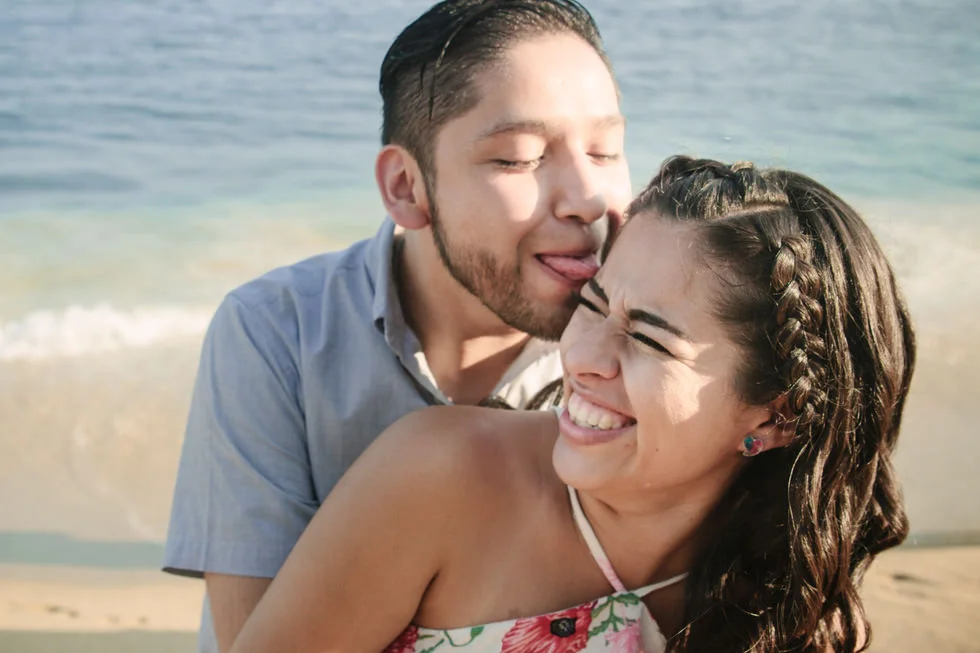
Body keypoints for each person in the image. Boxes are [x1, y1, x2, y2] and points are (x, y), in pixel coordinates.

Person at [228, 156, 916, 653]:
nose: (582, 356)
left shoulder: (781, 578)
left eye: (648, 338)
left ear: (776, 415)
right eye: (593, 302)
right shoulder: (441, 476)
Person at [162, 1, 633, 651]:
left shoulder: (639, 351)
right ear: (407, 187)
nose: (586, 198)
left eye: (605, 151)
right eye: (520, 158)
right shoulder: (277, 334)